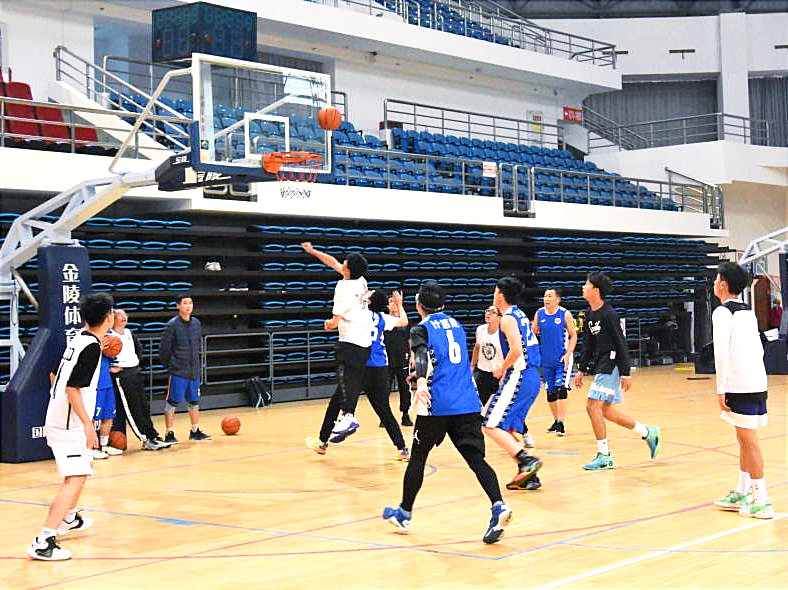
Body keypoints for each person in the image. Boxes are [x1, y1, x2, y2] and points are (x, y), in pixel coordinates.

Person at [382, 281, 512, 544]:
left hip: (438, 403)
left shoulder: (421, 328)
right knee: (476, 460)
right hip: (467, 401)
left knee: (418, 457)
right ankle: (498, 505)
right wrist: (421, 376)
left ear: (418, 304)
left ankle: (404, 513)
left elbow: (421, 354)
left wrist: (420, 380)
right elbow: (447, 361)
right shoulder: (457, 325)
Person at [28, 293, 114, 561]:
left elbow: (56, 376)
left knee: (82, 472)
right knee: (75, 477)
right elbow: (72, 388)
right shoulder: (90, 348)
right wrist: (88, 425)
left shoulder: (80, 339)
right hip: (69, 424)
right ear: (108, 317)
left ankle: (68, 519)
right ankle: (43, 540)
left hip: (63, 418)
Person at [573, 272, 660, 470]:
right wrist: (581, 369)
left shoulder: (609, 314)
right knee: (606, 411)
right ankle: (648, 432)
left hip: (611, 364)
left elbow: (621, 343)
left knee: (592, 406)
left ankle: (604, 455)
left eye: (586, 284)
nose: (583, 287)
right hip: (601, 365)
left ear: (596, 290)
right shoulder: (589, 314)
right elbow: (588, 345)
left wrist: (626, 372)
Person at [309, 290, 411, 459]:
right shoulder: (382, 318)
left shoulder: (359, 316)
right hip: (379, 367)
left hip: (359, 365)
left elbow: (340, 317)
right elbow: (404, 321)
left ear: (369, 302)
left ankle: (322, 442)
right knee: (384, 410)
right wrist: (399, 304)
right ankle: (403, 449)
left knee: (336, 402)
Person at [711, 262, 773, 518]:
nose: (714, 283)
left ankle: (762, 500)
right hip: (756, 381)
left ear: (723, 285)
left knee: (750, 441)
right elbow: (759, 349)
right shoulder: (748, 311)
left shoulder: (722, 313)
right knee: (743, 439)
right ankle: (743, 490)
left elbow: (721, 355)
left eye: (716, 279)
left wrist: (721, 389)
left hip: (740, 385)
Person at [302, 242, 373, 447]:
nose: (342, 263)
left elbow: (334, 322)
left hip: (350, 343)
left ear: (348, 269)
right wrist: (313, 251)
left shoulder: (343, 288)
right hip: (364, 342)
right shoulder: (360, 280)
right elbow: (333, 263)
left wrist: (327, 324)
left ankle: (349, 416)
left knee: (344, 384)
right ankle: (323, 440)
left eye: (345, 262)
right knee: (341, 392)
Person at [482, 276, 543, 491]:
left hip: (521, 375)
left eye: (495, 291)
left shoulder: (507, 318)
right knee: (505, 427)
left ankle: (527, 460)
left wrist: (502, 368)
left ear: (500, 295)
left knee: (489, 423)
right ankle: (528, 476)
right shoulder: (519, 314)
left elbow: (516, 349)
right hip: (531, 376)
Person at [111, 309, 171, 451]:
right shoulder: (109, 336)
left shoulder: (129, 333)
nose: (123, 318)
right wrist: (110, 367)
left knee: (144, 407)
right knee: (132, 409)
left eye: (125, 315)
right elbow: (101, 355)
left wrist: (135, 362)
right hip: (123, 375)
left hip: (135, 372)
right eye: (119, 316)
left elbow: (139, 349)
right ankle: (145, 439)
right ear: (113, 319)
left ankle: (153, 436)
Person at [160, 294, 209, 443]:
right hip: (178, 371)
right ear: (178, 306)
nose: (188, 306)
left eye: (190, 303)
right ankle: (169, 433)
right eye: (185, 303)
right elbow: (164, 349)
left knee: (194, 401)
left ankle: (195, 430)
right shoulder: (172, 325)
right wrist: (172, 365)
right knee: (172, 402)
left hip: (194, 371)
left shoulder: (196, 323)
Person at [533, 288, 577, 436]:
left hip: (562, 359)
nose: (546, 298)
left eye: (550, 296)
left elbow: (573, 336)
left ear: (557, 299)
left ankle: (561, 424)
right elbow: (534, 332)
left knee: (561, 388)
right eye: (545, 296)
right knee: (550, 392)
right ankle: (556, 421)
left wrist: (568, 354)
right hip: (546, 360)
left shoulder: (564, 314)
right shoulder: (539, 313)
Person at [386, 290, 412, 426]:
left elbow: (410, 340)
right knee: (385, 389)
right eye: (391, 301)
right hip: (387, 360)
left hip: (403, 358)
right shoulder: (384, 320)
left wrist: (412, 355)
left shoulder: (405, 320)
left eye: (395, 301)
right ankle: (385, 416)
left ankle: (405, 414)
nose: (394, 303)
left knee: (404, 388)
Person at [92, 336, 121, 459]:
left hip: (107, 382)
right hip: (95, 385)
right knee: (92, 418)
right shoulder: (88, 338)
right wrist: (98, 348)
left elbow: (112, 354)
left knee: (108, 416)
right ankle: (92, 447)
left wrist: (112, 365)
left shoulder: (108, 335)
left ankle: (104, 446)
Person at [470, 306, 503, 406]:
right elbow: (477, 348)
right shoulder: (480, 329)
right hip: (483, 373)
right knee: (477, 404)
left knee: (501, 406)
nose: (488, 313)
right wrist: (472, 366)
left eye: (493, 312)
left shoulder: (503, 333)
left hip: (499, 374)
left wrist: (505, 373)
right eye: (487, 311)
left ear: (499, 317)